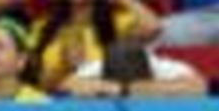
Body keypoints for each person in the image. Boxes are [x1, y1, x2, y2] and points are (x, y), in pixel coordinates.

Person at [29, 0, 162, 93]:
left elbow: (154, 27)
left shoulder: (116, 22)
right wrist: (64, 67)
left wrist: (126, 0)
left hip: (104, 100)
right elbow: (32, 77)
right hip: (55, 102)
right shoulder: (41, 27)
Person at [62, 39, 208, 97]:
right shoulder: (99, 66)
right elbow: (68, 84)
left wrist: (128, 90)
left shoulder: (163, 67)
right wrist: (112, 87)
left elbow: (199, 87)